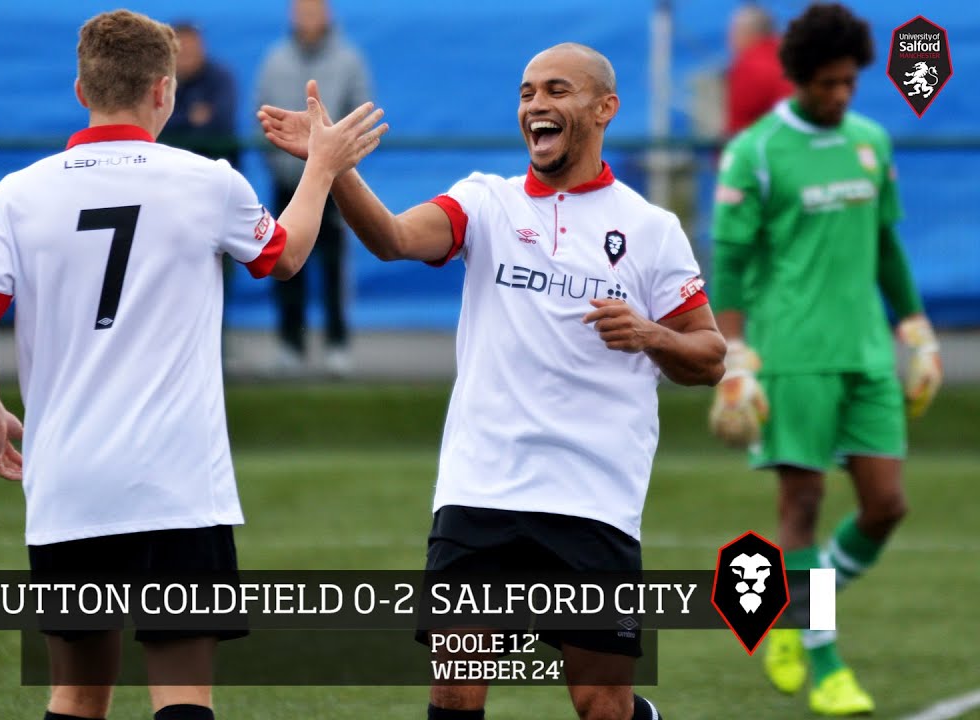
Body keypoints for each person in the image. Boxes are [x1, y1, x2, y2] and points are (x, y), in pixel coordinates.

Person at [260, 43, 726, 720]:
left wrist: (651, 333)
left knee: (600, 702)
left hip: (593, 498)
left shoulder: (651, 230)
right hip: (481, 490)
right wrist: (333, 170)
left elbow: (709, 356)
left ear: (604, 109)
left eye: (556, 90)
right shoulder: (485, 203)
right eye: (526, 92)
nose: (536, 105)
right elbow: (391, 238)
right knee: (455, 689)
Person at [0, 10, 385, 720]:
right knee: (183, 696)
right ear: (165, 91)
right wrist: (323, 165)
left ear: (79, 88)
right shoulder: (205, 180)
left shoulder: (15, 195)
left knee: (76, 694)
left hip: (68, 484)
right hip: (177, 484)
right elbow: (287, 256)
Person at [708, 3, 942, 715]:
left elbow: (886, 245)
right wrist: (735, 355)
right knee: (802, 504)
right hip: (790, 353)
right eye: (827, 84)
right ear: (799, 79)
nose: (841, 95)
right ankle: (828, 663)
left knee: (886, 505)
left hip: (867, 352)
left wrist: (916, 329)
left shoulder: (872, 142)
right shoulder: (756, 151)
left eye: (850, 82)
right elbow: (732, 260)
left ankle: (787, 611)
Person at [256, 0, 372, 375]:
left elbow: (361, 112)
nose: (307, 18)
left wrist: (335, 163)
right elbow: (262, 112)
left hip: (334, 186)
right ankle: (291, 345)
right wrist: (283, 164)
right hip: (287, 182)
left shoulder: (348, 59)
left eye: (313, 10)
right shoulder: (275, 59)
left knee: (334, 265)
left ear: (327, 15)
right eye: (301, 11)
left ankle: (337, 345)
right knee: (284, 262)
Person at [157, 21, 239, 168]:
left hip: (214, 165)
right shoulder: (159, 80)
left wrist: (176, 121)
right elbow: (155, 122)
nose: (188, 53)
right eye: (183, 49)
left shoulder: (220, 77)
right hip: (169, 167)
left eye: (192, 47)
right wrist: (188, 118)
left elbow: (222, 122)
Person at [725, 5, 793, 137]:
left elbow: (739, 123)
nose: (730, 39)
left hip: (763, 146)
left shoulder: (749, 66)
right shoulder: (788, 56)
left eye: (733, 32)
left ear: (747, 32)